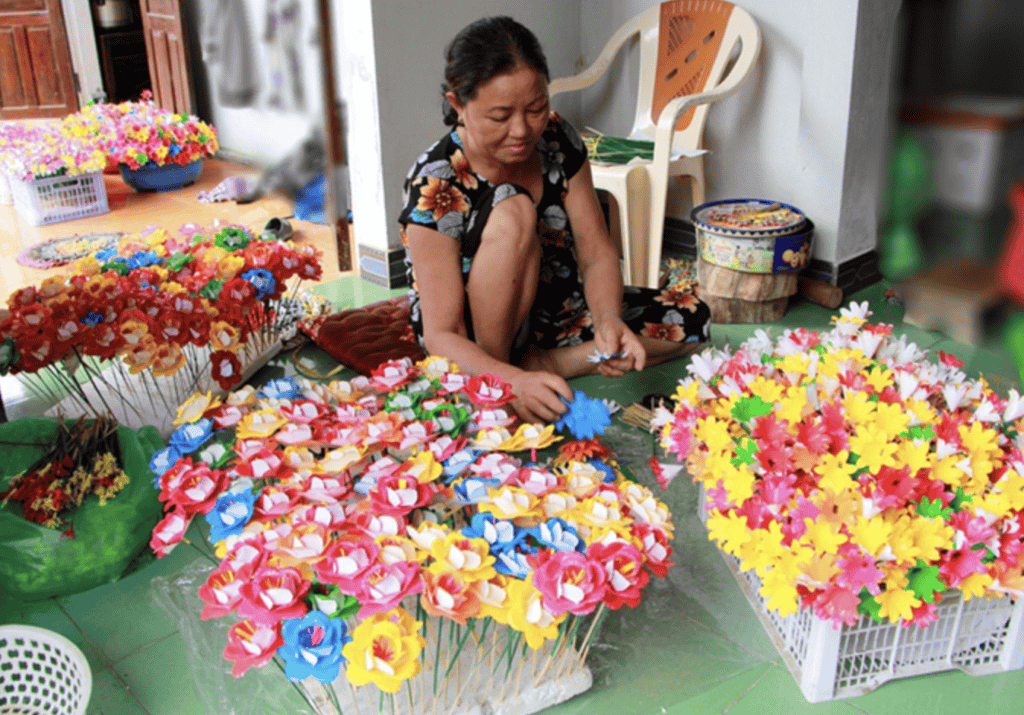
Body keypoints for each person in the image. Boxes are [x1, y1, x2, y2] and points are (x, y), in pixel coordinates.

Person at [399, 16, 710, 424]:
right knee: (512, 209)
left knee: (692, 316)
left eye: (535, 108)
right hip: (468, 332)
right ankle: (499, 379)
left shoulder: (558, 139)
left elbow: (597, 252)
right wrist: (509, 382)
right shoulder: (435, 183)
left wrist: (607, 321)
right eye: (500, 116)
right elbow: (442, 334)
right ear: (458, 104)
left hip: (548, 306)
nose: (521, 130)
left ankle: (544, 365)